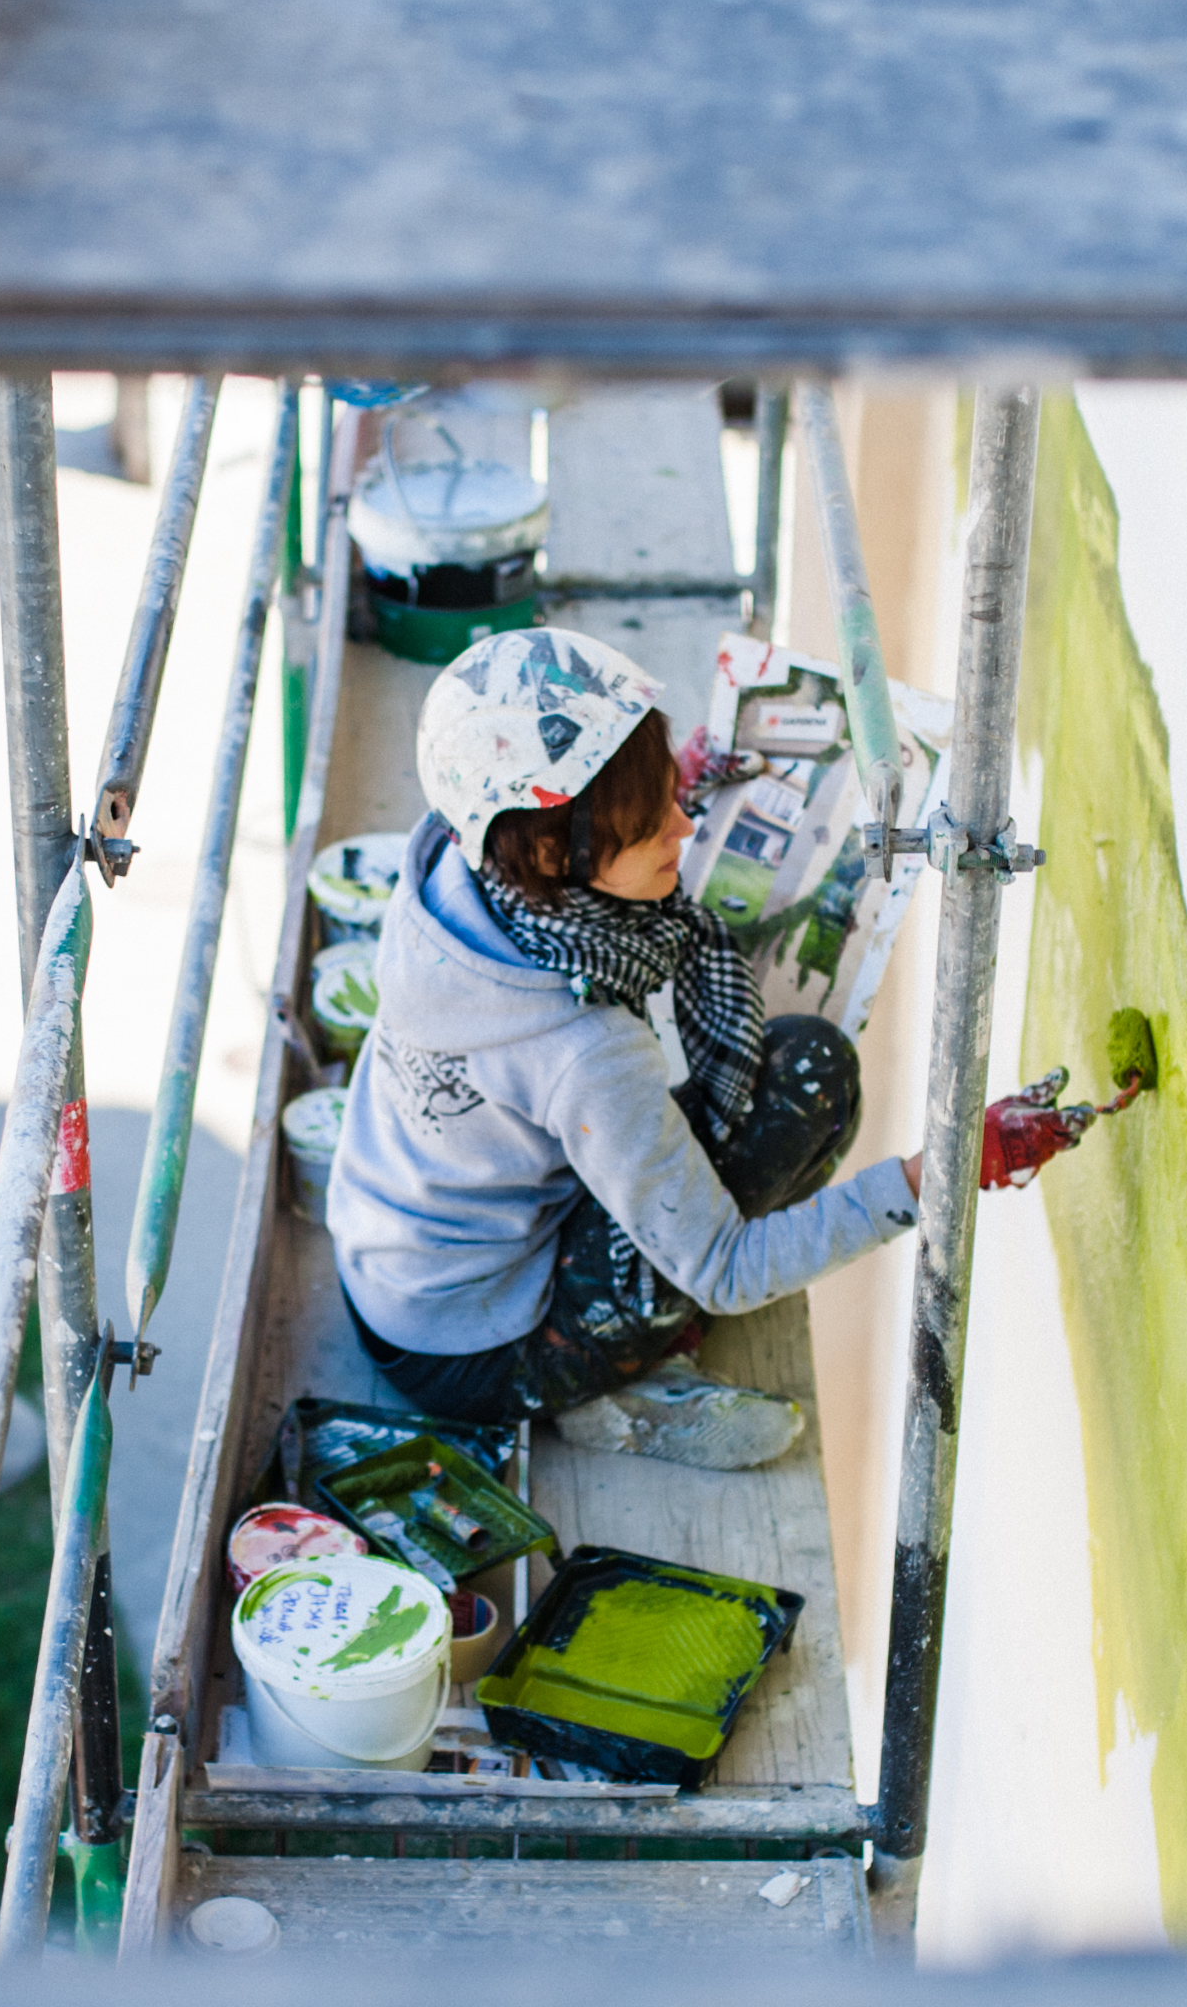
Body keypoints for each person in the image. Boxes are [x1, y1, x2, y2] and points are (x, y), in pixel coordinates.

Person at [325, 626, 924, 1470]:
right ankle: (604, 1388)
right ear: (550, 850)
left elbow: (569, 807)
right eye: (652, 822)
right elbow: (725, 1268)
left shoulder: (449, 862)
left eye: (675, 793)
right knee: (810, 1076)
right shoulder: (585, 1051)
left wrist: (650, 788)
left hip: (388, 1274)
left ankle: (607, 1352)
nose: (685, 825)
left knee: (699, 1118)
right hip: (476, 1354)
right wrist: (921, 1184)